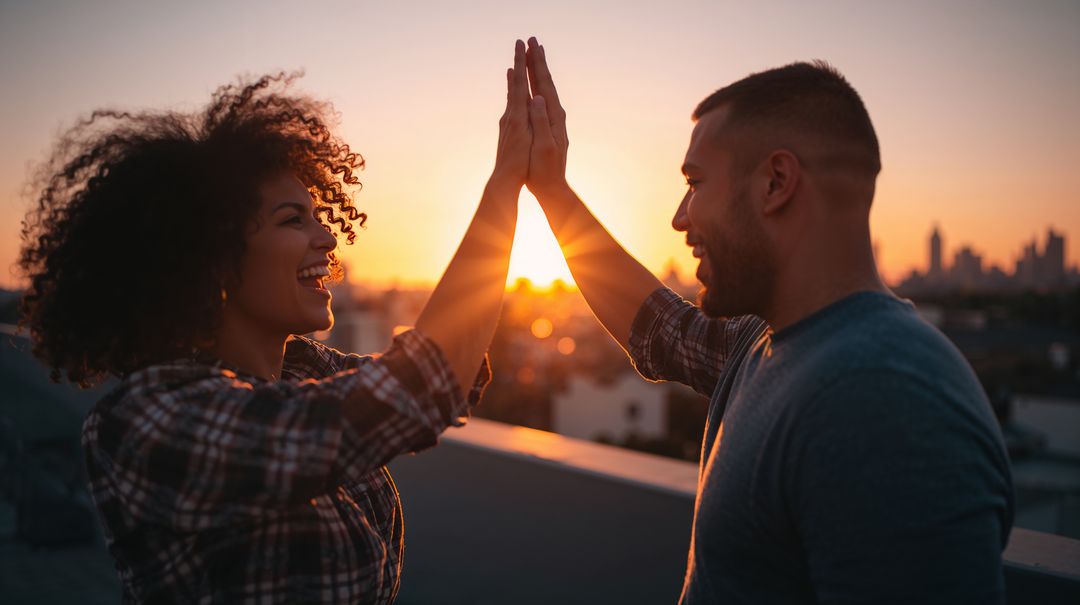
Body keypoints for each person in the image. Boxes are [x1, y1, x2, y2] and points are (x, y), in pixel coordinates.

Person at [17, 41, 536, 603]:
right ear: (210, 259)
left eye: (319, 215)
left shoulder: (301, 372)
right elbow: (411, 390)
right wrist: (503, 189)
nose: (328, 237)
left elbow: (451, 378)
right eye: (293, 219)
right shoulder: (145, 421)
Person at [521, 37, 1014, 603]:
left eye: (695, 182)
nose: (680, 217)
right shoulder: (771, 342)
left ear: (776, 183)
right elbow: (662, 330)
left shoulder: (883, 398)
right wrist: (553, 192)